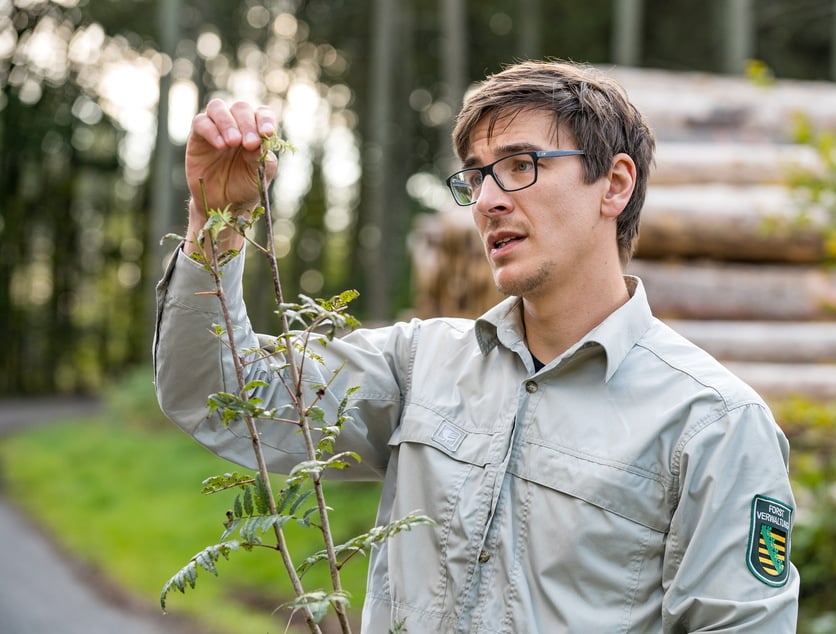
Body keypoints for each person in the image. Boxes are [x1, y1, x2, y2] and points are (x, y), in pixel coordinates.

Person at [155, 60, 799, 633]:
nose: (488, 201)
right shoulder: (417, 366)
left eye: (521, 167)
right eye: (475, 177)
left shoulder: (713, 424)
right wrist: (217, 223)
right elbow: (221, 395)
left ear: (614, 185)